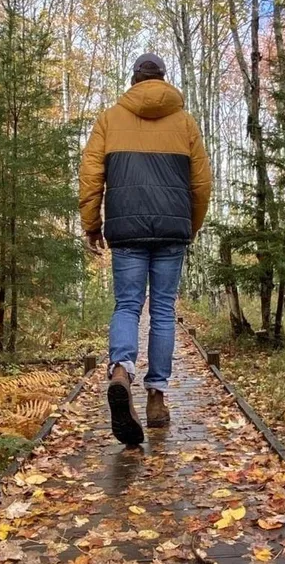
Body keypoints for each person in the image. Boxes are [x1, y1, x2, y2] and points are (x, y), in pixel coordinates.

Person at [79, 53, 212, 445]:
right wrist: (191, 224)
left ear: (134, 80)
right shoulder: (185, 122)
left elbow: (91, 176)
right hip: (172, 230)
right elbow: (201, 183)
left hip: (126, 229)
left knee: (127, 305)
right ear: (163, 80)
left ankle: (120, 370)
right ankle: (156, 397)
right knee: (163, 312)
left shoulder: (110, 118)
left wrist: (92, 225)